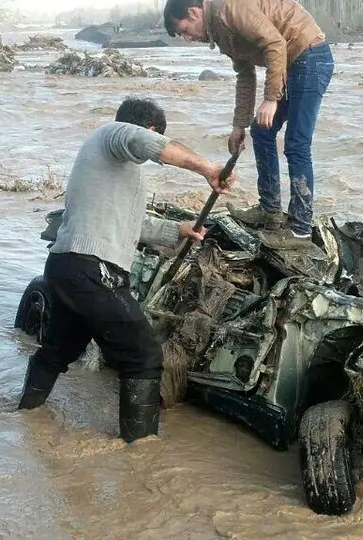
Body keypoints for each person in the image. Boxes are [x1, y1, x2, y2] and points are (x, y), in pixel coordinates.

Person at [17, 97, 234, 443]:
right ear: (144, 130)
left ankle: (26, 415)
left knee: (60, 350)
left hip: (68, 267)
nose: (152, 159)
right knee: (143, 356)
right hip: (92, 269)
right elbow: (149, 143)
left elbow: (134, 223)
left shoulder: (113, 169)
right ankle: (140, 451)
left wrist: (178, 230)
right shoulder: (113, 134)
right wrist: (209, 169)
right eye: (154, 140)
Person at [164, 0, 333, 250]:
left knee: (297, 144)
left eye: (185, 30)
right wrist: (238, 125)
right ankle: (270, 210)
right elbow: (245, 75)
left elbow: (274, 43)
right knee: (261, 132)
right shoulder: (219, 32)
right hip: (289, 64)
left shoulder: (230, 8)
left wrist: (271, 99)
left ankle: (299, 230)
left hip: (310, 57)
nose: (187, 39)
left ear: (194, 12)